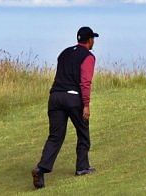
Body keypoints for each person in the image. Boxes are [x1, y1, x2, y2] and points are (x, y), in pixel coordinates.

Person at [32, 26, 99, 190]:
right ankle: (82, 167)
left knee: (55, 136)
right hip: (73, 97)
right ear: (89, 40)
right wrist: (86, 105)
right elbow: (85, 82)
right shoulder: (88, 57)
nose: (94, 42)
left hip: (55, 97)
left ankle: (40, 169)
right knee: (83, 132)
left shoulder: (64, 53)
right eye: (93, 39)